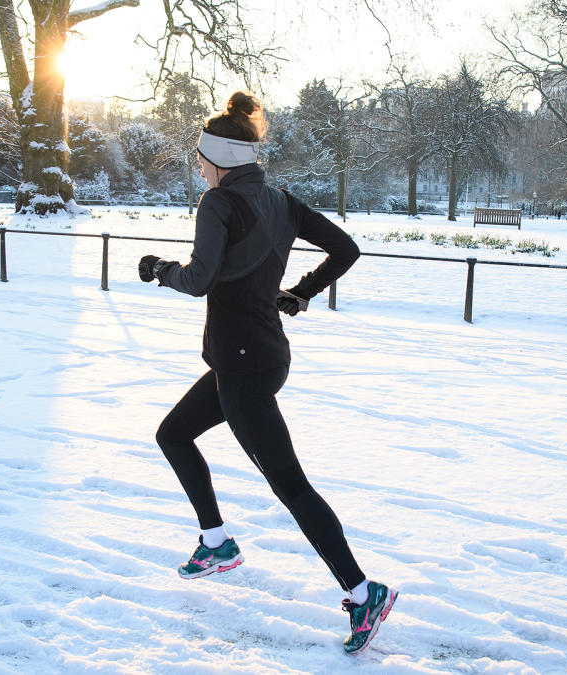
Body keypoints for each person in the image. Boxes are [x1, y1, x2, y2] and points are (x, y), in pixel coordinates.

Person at [137, 91, 397, 655]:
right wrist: (300, 294)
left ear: (221, 158)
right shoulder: (281, 200)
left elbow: (201, 278)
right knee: (173, 434)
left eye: (202, 159)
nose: (199, 167)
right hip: (260, 355)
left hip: (243, 367)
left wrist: (161, 270)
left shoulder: (218, 205)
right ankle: (216, 542)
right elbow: (345, 249)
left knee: (290, 485)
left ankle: (361, 592)